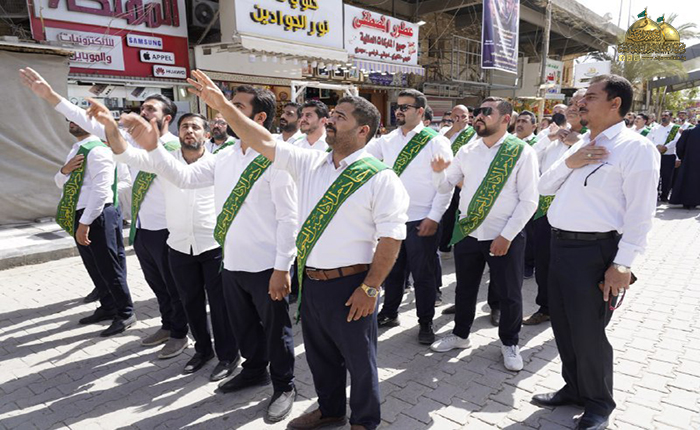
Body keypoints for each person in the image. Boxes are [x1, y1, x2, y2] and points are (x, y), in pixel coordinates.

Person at [186, 69, 408, 430]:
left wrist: (370, 288)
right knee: (320, 357)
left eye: (340, 117)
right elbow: (262, 139)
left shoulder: (380, 178)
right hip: (312, 283)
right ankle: (331, 410)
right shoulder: (310, 163)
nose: (330, 121)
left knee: (360, 362)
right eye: (331, 115)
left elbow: (392, 238)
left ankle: (364, 422)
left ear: (363, 130)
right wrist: (223, 107)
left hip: (352, 286)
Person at [110, 84, 299, 422]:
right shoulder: (223, 156)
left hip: (267, 265)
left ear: (258, 118)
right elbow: (183, 177)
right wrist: (153, 147)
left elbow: (289, 218)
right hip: (232, 261)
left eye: (235, 106)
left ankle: (284, 385)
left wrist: (283, 267)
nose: (225, 110)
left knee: (276, 330)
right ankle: (254, 370)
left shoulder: (277, 157)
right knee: (243, 325)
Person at [20, 68, 190, 358]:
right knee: (157, 285)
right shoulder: (132, 141)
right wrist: (51, 96)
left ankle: (180, 333)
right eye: (143, 107)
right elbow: (92, 124)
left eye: (151, 109)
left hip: (169, 230)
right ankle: (167, 324)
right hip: (143, 229)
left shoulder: (176, 148)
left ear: (167, 118)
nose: (143, 112)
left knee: (175, 287)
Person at [533, 75, 659, 430]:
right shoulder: (582, 144)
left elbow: (641, 214)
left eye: (590, 96)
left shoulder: (635, 148)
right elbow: (543, 186)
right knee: (563, 325)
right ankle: (574, 388)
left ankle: (599, 402)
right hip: (560, 246)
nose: (580, 102)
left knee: (588, 333)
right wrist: (571, 161)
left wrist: (623, 264)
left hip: (595, 251)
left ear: (615, 103)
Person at [92, 102, 241, 381]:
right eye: (184, 126)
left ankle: (228, 356)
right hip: (179, 246)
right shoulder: (164, 161)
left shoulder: (219, 164)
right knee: (191, 303)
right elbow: (124, 153)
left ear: (207, 135)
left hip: (213, 246)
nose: (189, 131)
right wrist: (110, 126)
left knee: (220, 306)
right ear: (177, 131)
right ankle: (203, 351)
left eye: (195, 127)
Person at [429, 97, 538, 372]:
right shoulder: (467, 150)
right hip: (469, 231)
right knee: (465, 288)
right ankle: (460, 335)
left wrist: (507, 236)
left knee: (509, 293)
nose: (478, 116)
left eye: (486, 112)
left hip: (504, 236)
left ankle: (510, 342)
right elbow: (445, 186)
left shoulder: (521, 152)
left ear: (506, 119)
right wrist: (438, 173)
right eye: (477, 111)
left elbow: (529, 201)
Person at [367, 89, 452, 345]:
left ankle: (425, 321)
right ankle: (390, 312)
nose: (399, 111)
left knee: (422, 275)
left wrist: (434, 217)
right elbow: (361, 157)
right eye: (397, 106)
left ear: (420, 111)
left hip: (421, 219)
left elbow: (445, 186)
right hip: (393, 219)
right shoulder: (387, 140)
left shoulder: (436, 141)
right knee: (392, 270)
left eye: (405, 107)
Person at [524, 91, 587, 327]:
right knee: (544, 263)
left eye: (580, 104)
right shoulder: (551, 135)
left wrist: (578, 142)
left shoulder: (591, 137)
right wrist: (549, 138)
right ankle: (546, 308)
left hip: (575, 215)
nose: (573, 107)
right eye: (571, 103)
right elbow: (530, 158)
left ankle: (572, 312)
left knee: (571, 267)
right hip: (544, 211)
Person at [649, 110, 682, 202]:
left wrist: (666, 147)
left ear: (671, 117)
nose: (663, 117)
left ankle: (664, 195)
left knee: (667, 177)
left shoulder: (675, 128)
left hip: (668, 155)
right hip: (656, 155)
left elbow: (677, 140)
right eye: (662, 115)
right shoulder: (655, 128)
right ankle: (655, 194)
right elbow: (650, 139)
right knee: (655, 176)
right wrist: (657, 146)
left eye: (666, 115)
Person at [669, 125, 700, 208]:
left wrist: (682, 157)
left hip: (688, 161)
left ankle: (686, 201)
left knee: (687, 180)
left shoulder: (688, 132)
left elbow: (679, 146)